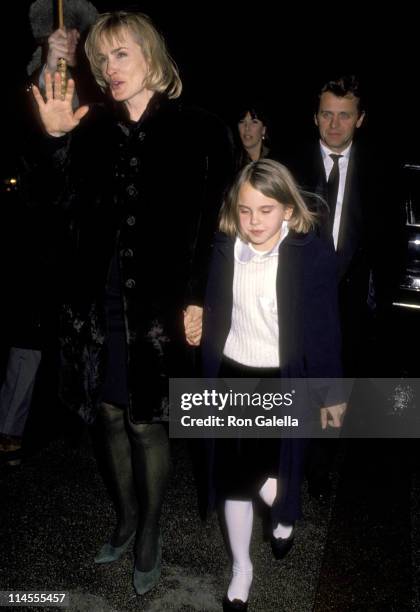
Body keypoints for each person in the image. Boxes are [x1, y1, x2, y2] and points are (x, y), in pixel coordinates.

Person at [25, 10, 232, 596]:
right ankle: (122, 516)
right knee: (109, 416)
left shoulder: (200, 130)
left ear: (150, 56)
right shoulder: (91, 130)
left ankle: (149, 529)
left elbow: (215, 230)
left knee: (147, 422)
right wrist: (57, 143)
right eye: (102, 58)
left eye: (120, 54)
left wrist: (199, 298)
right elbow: (53, 212)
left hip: (159, 312)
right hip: (98, 305)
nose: (109, 68)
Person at [187, 159, 345, 611]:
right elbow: (197, 287)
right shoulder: (222, 248)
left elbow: (324, 330)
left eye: (266, 210)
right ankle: (242, 567)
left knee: (275, 475)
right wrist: (192, 309)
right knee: (233, 481)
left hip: (281, 379)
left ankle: (285, 511)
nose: (254, 222)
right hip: (232, 374)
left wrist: (332, 394)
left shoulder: (308, 254)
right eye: (245, 211)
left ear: (288, 209)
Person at [285, 75, 403, 499]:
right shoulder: (291, 164)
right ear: (315, 117)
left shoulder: (381, 169)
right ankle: (291, 460)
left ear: (361, 119)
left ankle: (319, 463)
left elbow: (388, 241)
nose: (335, 126)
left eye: (345, 116)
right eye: (327, 115)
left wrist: (379, 300)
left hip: (353, 301)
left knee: (338, 386)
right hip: (297, 298)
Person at [234, 106, 271, 170]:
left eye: (254, 122)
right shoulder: (232, 163)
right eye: (242, 121)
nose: (247, 128)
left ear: (263, 130)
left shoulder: (276, 161)